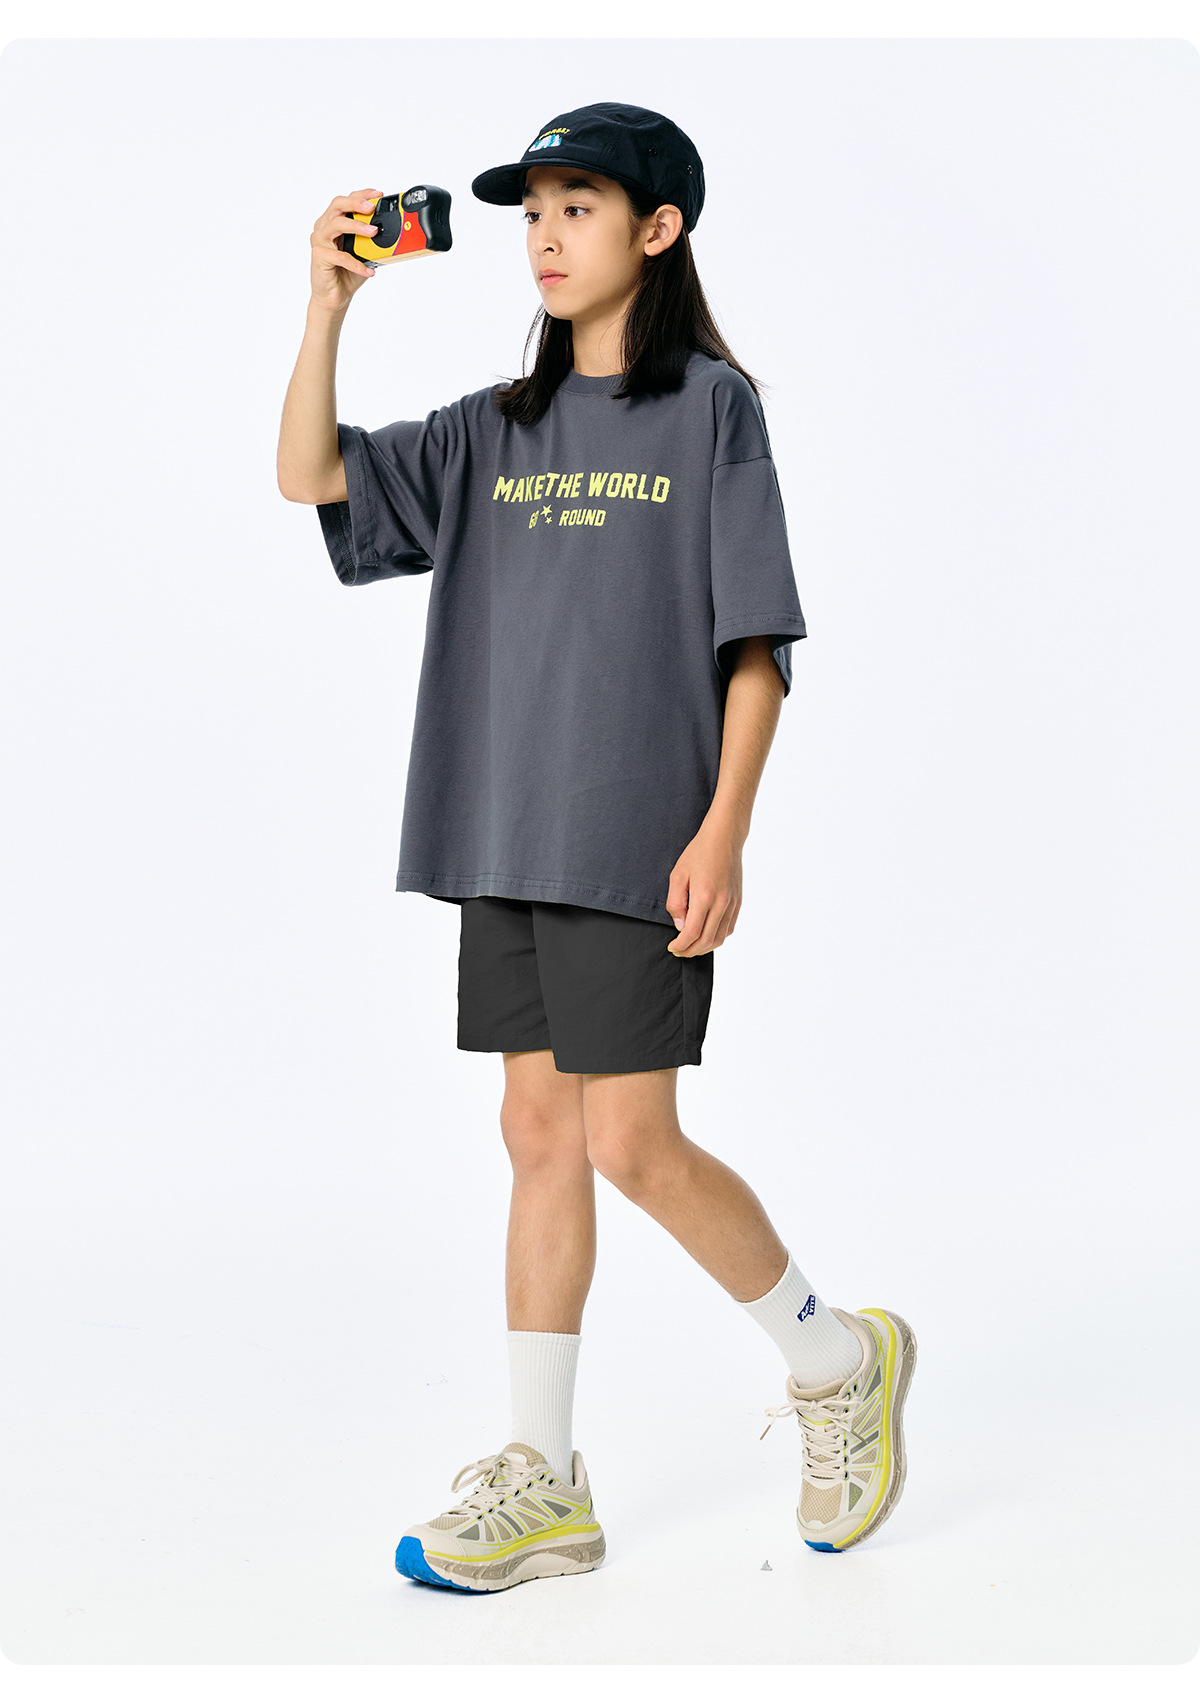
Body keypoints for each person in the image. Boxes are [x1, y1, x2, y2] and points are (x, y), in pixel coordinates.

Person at [277, 100, 917, 1594]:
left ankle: (836, 1359)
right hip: (504, 827)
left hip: (638, 836)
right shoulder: (493, 429)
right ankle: (548, 1480)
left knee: (631, 1140)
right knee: (537, 1134)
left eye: (579, 206)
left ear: (659, 229)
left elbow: (755, 646)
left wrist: (724, 829)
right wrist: (327, 305)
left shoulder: (711, 412)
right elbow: (312, 478)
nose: (547, 236)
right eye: (533, 211)